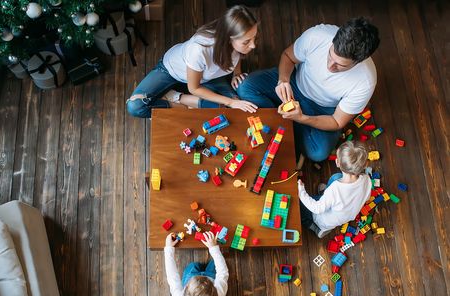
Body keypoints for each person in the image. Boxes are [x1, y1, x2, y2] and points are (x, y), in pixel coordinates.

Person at [236, 17, 380, 162]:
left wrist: (303, 118)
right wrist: (283, 80)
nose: (330, 66)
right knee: (245, 87)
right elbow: (288, 56)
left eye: (340, 65)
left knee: (318, 153)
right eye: (330, 55)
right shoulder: (317, 35)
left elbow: (337, 122)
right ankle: (289, 125)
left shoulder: (365, 81)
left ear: (359, 61)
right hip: (294, 82)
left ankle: (283, 122)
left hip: (322, 109)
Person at [127, 5, 259, 118]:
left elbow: (237, 55)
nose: (253, 45)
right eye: (247, 42)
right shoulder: (200, 49)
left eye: (254, 38)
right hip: (172, 72)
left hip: (207, 78)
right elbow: (194, 88)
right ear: (229, 38)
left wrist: (237, 72)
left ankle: (179, 97)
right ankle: (178, 101)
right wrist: (230, 102)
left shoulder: (238, 42)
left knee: (231, 110)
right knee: (135, 107)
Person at [298, 140, 371, 238]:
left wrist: (301, 191)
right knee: (336, 177)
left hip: (323, 220)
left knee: (300, 204)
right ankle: (327, 201)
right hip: (342, 217)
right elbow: (367, 197)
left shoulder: (335, 189)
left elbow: (317, 208)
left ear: (337, 163)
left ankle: (315, 227)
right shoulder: (367, 179)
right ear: (365, 164)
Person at [164, 231, 228, 296]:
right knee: (214, 263)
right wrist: (214, 248)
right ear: (214, 290)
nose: (200, 277)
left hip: (192, 276)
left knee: (193, 266)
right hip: (212, 277)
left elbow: (172, 276)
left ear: (184, 294)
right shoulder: (219, 294)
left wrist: (169, 248)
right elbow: (223, 272)